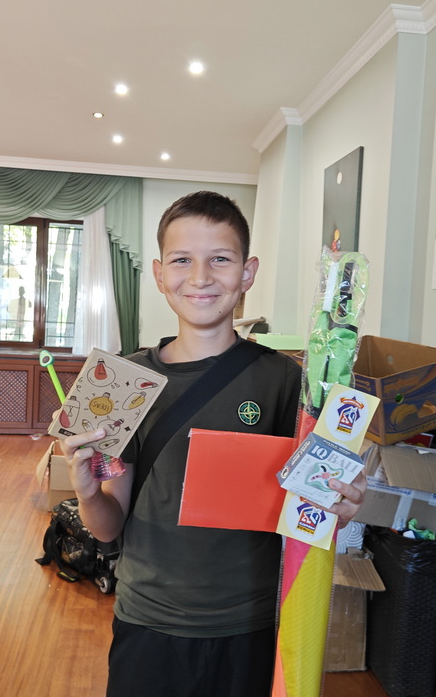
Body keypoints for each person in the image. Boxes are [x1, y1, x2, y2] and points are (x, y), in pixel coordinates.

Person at [59, 191, 367, 697]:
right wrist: (87, 492)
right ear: (159, 274)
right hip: (148, 621)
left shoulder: (286, 383)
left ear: (248, 273)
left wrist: (343, 503)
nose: (200, 277)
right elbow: (107, 527)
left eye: (220, 259)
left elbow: (314, 506)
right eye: (182, 260)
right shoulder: (118, 381)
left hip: (249, 625)